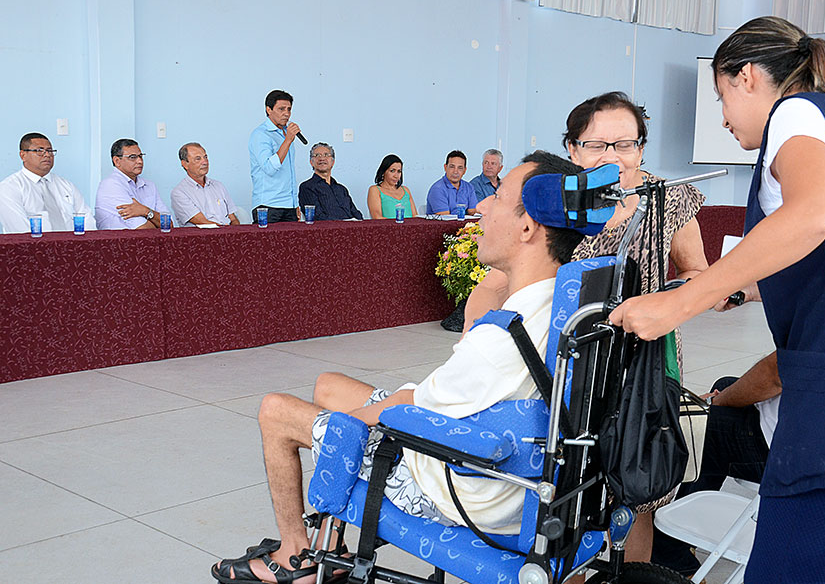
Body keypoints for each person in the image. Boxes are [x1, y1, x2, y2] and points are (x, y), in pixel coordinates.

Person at [611, 16, 825, 583]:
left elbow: (813, 215)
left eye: (722, 95)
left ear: (747, 77)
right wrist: (745, 283)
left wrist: (679, 303)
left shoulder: (796, 110)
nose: (722, 116)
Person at [212, 151, 589, 584]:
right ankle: (330, 544)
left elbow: (409, 404)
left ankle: (296, 555)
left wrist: (336, 431)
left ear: (527, 227)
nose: (482, 206)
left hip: (455, 484)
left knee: (276, 411)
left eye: (498, 197)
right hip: (510, 466)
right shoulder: (564, 303)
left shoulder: (502, 338)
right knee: (328, 385)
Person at [464, 92, 709, 561]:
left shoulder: (668, 199)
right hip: (562, 370)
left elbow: (698, 272)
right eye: (597, 145)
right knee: (565, 490)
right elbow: (495, 281)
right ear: (572, 150)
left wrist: (666, 300)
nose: (612, 157)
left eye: (625, 144)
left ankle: (627, 570)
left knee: (634, 492)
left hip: (641, 369)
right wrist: (477, 329)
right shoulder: (556, 201)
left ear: (641, 148)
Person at [651, 352, 780, 576]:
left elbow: (774, 374)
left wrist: (714, 403)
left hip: (791, 452)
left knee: (703, 426)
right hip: (817, 432)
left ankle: (671, 557)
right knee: (725, 385)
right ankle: (685, 532)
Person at [0, 133, 96, 233]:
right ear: (23, 155)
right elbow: (19, 230)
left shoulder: (66, 185)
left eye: (50, 151)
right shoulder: (9, 188)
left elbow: (87, 220)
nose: (47, 155)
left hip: (73, 246)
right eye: (39, 151)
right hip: (32, 246)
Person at [249, 89, 303, 224]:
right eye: (281, 109)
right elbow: (269, 168)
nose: (286, 113)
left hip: (289, 206)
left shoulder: (286, 133)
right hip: (268, 206)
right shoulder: (260, 134)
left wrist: (295, 203)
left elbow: (289, 173)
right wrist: (288, 140)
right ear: (269, 109)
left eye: (289, 109)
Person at [95, 139, 169, 230]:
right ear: (117, 161)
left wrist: (145, 211)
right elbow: (142, 228)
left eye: (140, 156)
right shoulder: (111, 185)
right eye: (133, 157)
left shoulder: (150, 186)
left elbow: (168, 224)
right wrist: (156, 219)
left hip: (151, 241)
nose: (140, 161)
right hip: (118, 242)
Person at [170, 143, 239, 227]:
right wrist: (226, 232)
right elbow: (203, 222)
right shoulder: (179, 192)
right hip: (202, 237)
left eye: (205, 157)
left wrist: (235, 233)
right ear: (185, 164)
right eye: (198, 159)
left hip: (228, 234)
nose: (205, 162)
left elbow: (233, 219)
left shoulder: (218, 186)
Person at [297, 143, 363, 221]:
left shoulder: (341, 189)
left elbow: (355, 213)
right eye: (317, 155)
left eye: (326, 155)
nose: (322, 159)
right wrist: (343, 223)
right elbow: (317, 217)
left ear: (333, 162)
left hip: (352, 229)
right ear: (311, 162)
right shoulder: (307, 187)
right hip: (327, 231)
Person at [425, 150, 478, 215]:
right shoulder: (437, 189)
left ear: (464, 170)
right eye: (452, 167)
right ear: (445, 167)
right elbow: (445, 217)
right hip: (443, 224)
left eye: (460, 168)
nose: (455, 171)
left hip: (464, 224)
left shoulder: (469, 187)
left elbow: (472, 212)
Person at [366, 154, 418, 219]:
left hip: (411, 228)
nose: (396, 176)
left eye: (399, 171)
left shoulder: (405, 190)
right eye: (392, 171)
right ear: (383, 172)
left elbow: (415, 216)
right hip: (388, 228)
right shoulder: (375, 190)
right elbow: (377, 217)